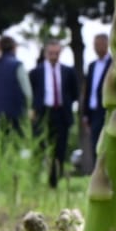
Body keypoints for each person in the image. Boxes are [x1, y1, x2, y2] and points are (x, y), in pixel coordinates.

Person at [30, 40, 78, 186]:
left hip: (61, 114)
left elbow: (74, 93)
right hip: (43, 114)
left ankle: (54, 181)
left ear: (60, 53)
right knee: (39, 147)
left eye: (56, 53)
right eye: (51, 53)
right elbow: (31, 93)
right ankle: (36, 180)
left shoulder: (68, 72)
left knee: (59, 148)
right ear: (46, 53)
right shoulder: (35, 73)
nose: (53, 56)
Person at [82, 33, 112, 163]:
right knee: (95, 143)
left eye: (99, 44)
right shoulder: (92, 66)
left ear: (107, 44)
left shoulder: (113, 64)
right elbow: (88, 90)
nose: (96, 47)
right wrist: (85, 114)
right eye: (95, 45)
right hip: (93, 111)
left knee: (107, 143)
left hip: (107, 110)